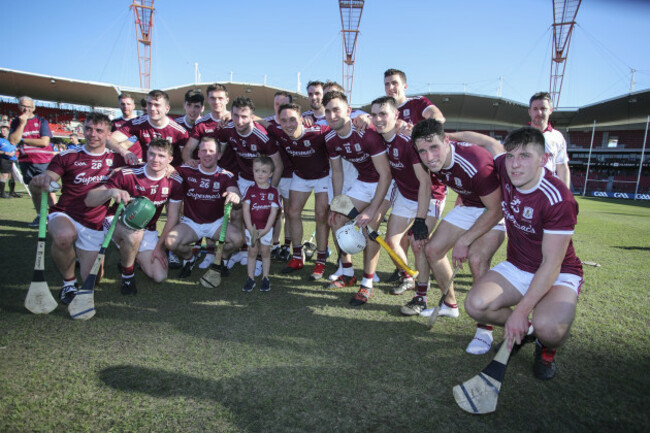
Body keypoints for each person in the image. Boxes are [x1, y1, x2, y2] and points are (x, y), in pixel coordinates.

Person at [464, 126, 583, 380]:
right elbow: (486, 142)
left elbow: (551, 264)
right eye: (511, 156)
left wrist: (519, 312)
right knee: (475, 305)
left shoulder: (558, 199)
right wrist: (450, 136)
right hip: (518, 265)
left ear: (543, 160)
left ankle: (545, 346)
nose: (515, 165)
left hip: (558, 271)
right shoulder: (507, 170)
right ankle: (527, 333)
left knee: (549, 328)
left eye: (525, 156)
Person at [411, 120, 505, 356]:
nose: (429, 157)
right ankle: (450, 305)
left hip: (497, 207)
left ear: (446, 142)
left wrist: (464, 240)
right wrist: (420, 219)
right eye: (422, 151)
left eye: (433, 148)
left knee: (476, 259)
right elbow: (426, 185)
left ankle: (485, 330)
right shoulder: (432, 160)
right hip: (471, 204)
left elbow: (496, 209)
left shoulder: (476, 164)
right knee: (432, 251)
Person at [29, 112, 126, 304]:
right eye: (88, 129)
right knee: (64, 237)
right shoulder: (67, 156)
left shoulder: (117, 160)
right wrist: (39, 182)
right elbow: (46, 181)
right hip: (66, 213)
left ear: (108, 134)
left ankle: (81, 259)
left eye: (99, 130)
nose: (92, 134)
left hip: (95, 221)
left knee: (94, 279)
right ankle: (68, 284)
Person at [85, 138, 183, 295]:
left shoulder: (174, 181)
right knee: (96, 276)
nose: (155, 159)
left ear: (170, 159)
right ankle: (128, 275)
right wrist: (111, 192)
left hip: (147, 229)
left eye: (161, 156)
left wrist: (159, 248)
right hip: (115, 222)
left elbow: (172, 218)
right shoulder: (128, 173)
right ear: (146, 153)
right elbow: (90, 199)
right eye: (151, 154)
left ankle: (129, 254)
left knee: (159, 276)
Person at [368, 97, 445, 298]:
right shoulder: (378, 139)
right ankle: (408, 277)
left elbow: (425, 182)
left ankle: (422, 294)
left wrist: (419, 219)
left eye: (383, 114)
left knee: (417, 243)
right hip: (405, 194)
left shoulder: (407, 141)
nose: (378, 119)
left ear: (396, 115)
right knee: (391, 241)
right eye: (374, 114)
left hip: (429, 196)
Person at [324, 90, 392, 306]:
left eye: (336, 109)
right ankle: (347, 272)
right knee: (335, 219)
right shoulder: (331, 139)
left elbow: (386, 174)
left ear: (348, 111)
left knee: (369, 226)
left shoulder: (367, 134)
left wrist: (372, 209)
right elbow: (337, 172)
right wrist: (337, 203)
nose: (332, 115)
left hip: (387, 182)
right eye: (327, 111)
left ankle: (367, 283)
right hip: (364, 182)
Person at [164, 136, 243, 279]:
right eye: (204, 150)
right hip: (191, 223)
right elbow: (166, 168)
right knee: (170, 242)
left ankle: (222, 259)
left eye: (211, 151)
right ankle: (189, 259)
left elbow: (234, 191)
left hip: (216, 224)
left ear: (219, 155)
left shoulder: (226, 175)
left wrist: (235, 196)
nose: (207, 155)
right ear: (198, 153)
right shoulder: (185, 170)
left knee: (238, 239)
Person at [272, 103, 331, 280]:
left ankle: (321, 261)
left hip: (323, 176)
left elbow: (340, 127)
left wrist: (363, 119)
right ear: (279, 121)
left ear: (301, 119)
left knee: (321, 215)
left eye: (292, 119)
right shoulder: (279, 133)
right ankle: (297, 256)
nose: (288, 124)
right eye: (284, 120)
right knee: (292, 212)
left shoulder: (319, 131)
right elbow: (260, 122)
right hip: (300, 176)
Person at [181, 84, 233, 269]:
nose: (216, 101)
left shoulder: (237, 119)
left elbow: (259, 122)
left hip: (233, 176)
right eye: (212, 98)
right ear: (208, 100)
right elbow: (187, 151)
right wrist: (190, 162)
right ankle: (210, 254)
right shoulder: (202, 123)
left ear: (227, 99)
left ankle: (235, 253)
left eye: (220, 98)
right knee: (209, 213)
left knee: (237, 214)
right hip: (209, 177)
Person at [108, 90, 189, 168]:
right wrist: (124, 151)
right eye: (149, 104)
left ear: (167, 109)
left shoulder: (179, 131)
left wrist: (171, 168)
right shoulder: (138, 123)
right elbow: (109, 140)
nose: (152, 108)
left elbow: (186, 158)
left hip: (171, 173)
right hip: (147, 171)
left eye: (157, 105)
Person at [8, 96, 56, 226]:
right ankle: (41, 216)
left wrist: (22, 140)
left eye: (29, 106)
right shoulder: (16, 122)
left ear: (33, 107)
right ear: (19, 107)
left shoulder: (41, 121)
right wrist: (22, 124)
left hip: (43, 160)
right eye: (23, 106)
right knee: (34, 190)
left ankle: (56, 216)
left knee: (49, 190)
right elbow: (12, 140)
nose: (26, 109)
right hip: (26, 161)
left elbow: (44, 141)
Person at [260, 91, 295, 263]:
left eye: (283, 103)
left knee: (289, 212)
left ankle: (285, 247)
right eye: (276, 103)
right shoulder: (266, 123)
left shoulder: (294, 122)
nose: (279, 107)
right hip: (269, 175)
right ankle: (272, 244)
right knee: (270, 212)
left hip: (289, 174)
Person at [241, 156, 281, 292]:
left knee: (265, 252)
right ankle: (250, 278)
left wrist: (266, 230)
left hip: (266, 229)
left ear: (270, 174)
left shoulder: (274, 191)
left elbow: (273, 213)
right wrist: (250, 228)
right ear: (252, 172)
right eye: (257, 170)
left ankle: (265, 277)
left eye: (264, 171)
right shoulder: (249, 189)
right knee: (252, 252)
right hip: (251, 228)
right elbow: (245, 210)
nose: (260, 174)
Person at [528, 91, 571, 187]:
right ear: (530, 112)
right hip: (525, 190)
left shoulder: (557, 137)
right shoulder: (520, 136)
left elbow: (562, 167)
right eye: (535, 109)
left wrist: (566, 194)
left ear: (550, 110)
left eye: (543, 108)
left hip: (549, 189)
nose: (539, 112)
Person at [0, 124, 19, 198]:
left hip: (12, 160)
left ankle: (12, 192)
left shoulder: (12, 140)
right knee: (4, 175)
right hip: (4, 159)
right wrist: (5, 153)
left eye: (4, 130)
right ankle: (2, 193)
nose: (2, 131)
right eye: (1, 130)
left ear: (8, 131)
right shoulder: (1, 140)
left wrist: (15, 150)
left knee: (12, 176)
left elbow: (16, 147)